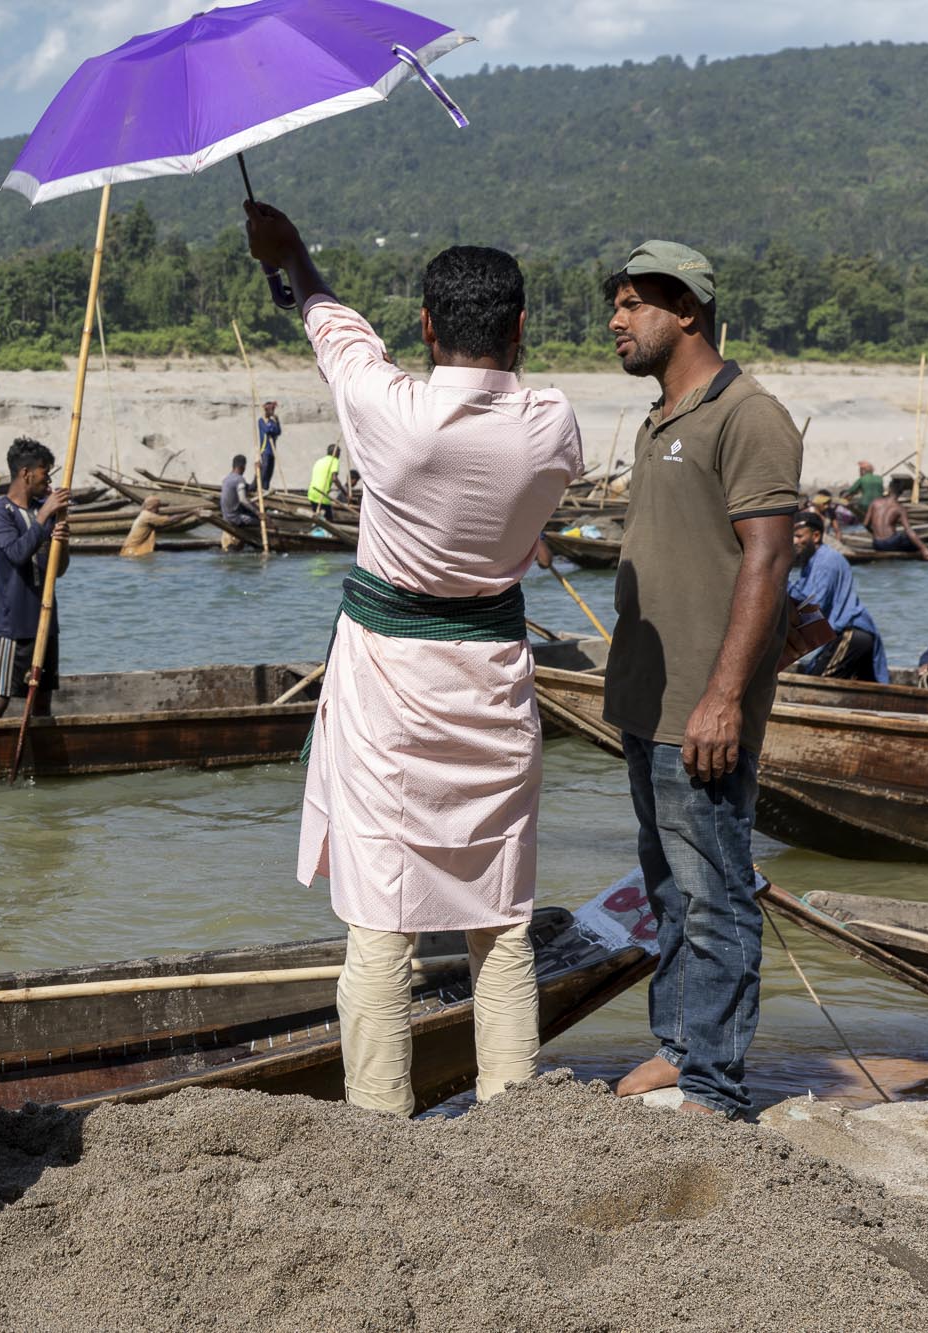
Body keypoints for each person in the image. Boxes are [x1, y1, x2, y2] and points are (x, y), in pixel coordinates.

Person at [246, 202, 583, 1119]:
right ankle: (514, 1111)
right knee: (501, 919)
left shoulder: (388, 413)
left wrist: (294, 258)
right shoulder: (552, 424)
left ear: (428, 328)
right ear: (521, 330)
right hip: (493, 682)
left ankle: (380, 1122)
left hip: (390, 686)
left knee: (380, 927)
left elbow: (338, 334)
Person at [598, 240, 802, 1119]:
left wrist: (723, 697)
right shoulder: (659, 419)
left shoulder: (748, 415)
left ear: (687, 310)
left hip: (702, 712)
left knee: (716, 896)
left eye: (633, 304)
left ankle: (714, 1083)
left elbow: (768, 563)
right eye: (616, 304)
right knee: (668, 892)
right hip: (647, 704)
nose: (616, 321)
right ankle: (679, 1046)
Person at [0, 436, 70, 720]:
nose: (48, 481)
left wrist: (62, 538)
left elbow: (58, 569)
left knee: (42, 704)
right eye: (45, 473)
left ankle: (42, 761)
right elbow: (17, 554)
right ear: (26, 473)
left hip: (46, 620)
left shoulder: (40, 510)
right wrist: (44, 516)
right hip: (15, 625)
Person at [787, 513, 886, 681]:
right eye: (792, 537)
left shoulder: (825, 562)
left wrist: (782, 582)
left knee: (816, 683)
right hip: (853, 636)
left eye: (798, 536)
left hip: (850, 635)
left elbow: (813, 608)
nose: (794, 542)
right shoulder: (812, 562)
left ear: (816, 536)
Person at [119, 496, 202, 558]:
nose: (159, 510)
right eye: (158, 507)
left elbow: (162, 525)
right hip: (133, 551)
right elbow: (170, 520)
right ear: (153, 507)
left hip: (129, 550)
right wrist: (191, 513)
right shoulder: (148, 516)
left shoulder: (143, 514)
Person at [863, 490, 928, 557]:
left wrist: (874, 533)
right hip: (891, 543)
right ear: (900, 493)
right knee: (912, 541)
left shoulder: (875, 502)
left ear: (889, 491)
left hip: (877, 544)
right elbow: (908, 530)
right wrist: (924, 548)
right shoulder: (899, 508)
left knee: (903, 538)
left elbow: (866, 524)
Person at [219, 455, 258, 529]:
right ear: (242, 467)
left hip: (226, 516)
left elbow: (251, 488)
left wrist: (256, 474)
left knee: (252, 508)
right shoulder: (239, 479)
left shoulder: (227, 479)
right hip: (235, 519)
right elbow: (243, 500)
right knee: (259, 521)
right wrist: (258, 513)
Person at [307, 444, 344, 518]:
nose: (339, 456)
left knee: (318, 517)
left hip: (312, 492)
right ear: (336, 453)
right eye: (339, 453)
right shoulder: (334, 461)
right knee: (329, 519)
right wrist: (344, 492)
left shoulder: (319, 461)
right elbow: (335, 479)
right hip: (321, 494)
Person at [256, 401, 282, 492]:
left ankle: (266, 488)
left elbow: (278, 432)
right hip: (265, 449)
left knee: (270, 471)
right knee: (265, 469)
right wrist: (272, 428)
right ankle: (260, 488)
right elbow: (267, 430)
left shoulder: (272, 421)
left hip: (272, 450)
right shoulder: (261, 420)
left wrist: (277, 422)